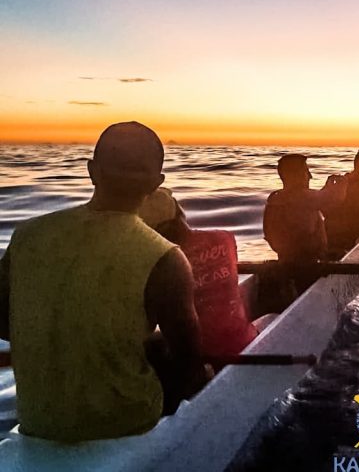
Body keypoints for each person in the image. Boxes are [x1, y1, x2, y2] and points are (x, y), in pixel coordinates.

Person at [0, 121, 207, 442]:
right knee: (184, 364)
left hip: (37, 421)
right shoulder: (166, 257)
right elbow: (189, 362)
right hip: (124, 422)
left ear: (91, 171)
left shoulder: (26, 234)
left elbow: (3, 324)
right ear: (156, 183)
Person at [139, 188, 274, 358]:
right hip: (241, 343)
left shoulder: (156, 263)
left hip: (198, 357)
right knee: (272, 317)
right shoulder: (224, 238)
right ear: (180, 213)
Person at [263, 154, 346, 295]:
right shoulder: (303, 196)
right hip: (308, 268)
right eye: (306, 171)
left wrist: (327, 187)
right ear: (295, 175)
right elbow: (335, 200)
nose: (310, 176)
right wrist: (344, 183)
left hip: (286, 261)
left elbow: (317, 198)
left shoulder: (275, 198)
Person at [323, 149, 359, 258]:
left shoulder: (342, 180)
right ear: (357, 165)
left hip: (332, 235)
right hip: (347, 237)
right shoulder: (358, 188)